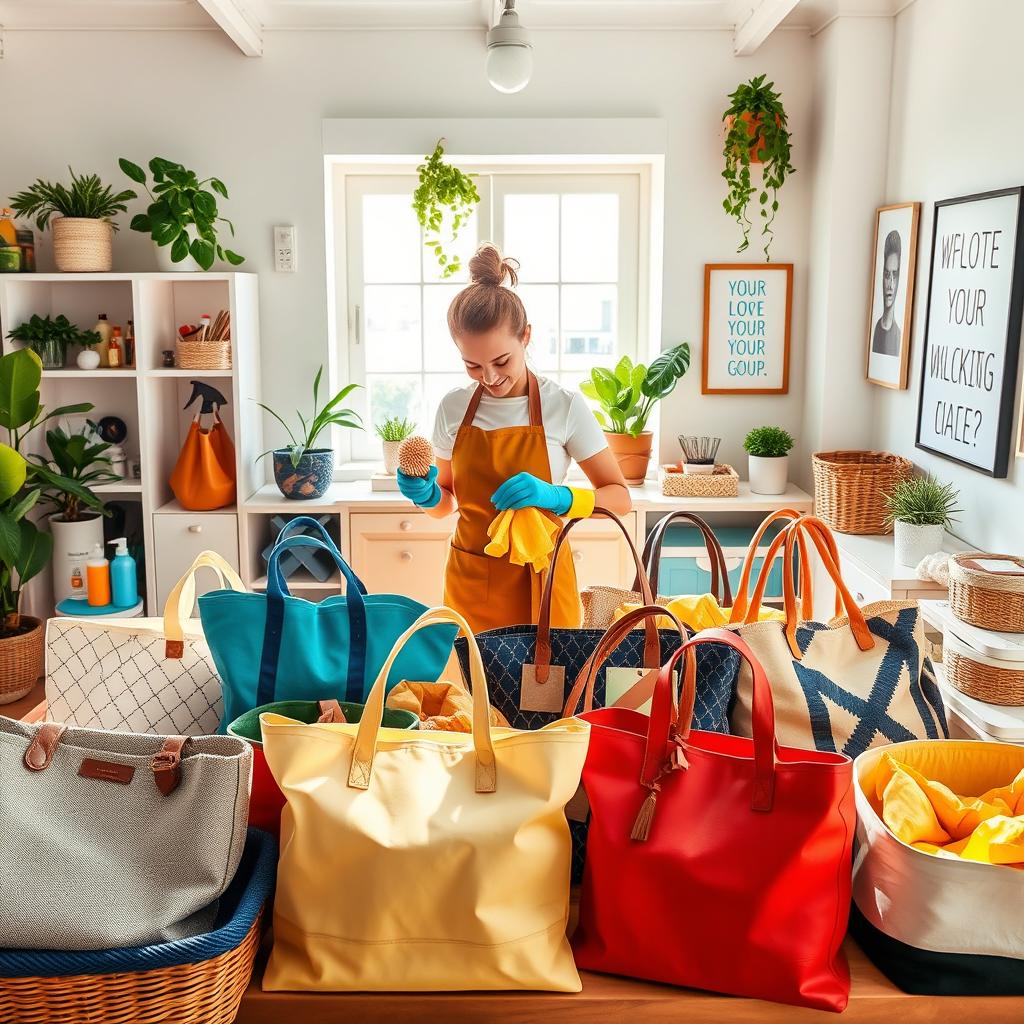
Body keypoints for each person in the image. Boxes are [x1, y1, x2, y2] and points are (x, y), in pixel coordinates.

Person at [397, 243, 631, 634]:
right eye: (473, 365)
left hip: (543, 583)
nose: (489, 377)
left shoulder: (564, 406)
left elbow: (619, 497)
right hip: (471, 579)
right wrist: (427, 496)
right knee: (474, 690)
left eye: (501, 361)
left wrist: (557, 497)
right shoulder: (453, 408)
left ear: (526, 336)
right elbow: (448, 502)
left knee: (548, 692)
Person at [872, 229, 902, 357]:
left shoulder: (898, 336)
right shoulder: (875, 330)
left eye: (894, 276)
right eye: (886, 274)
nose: (890, 285)